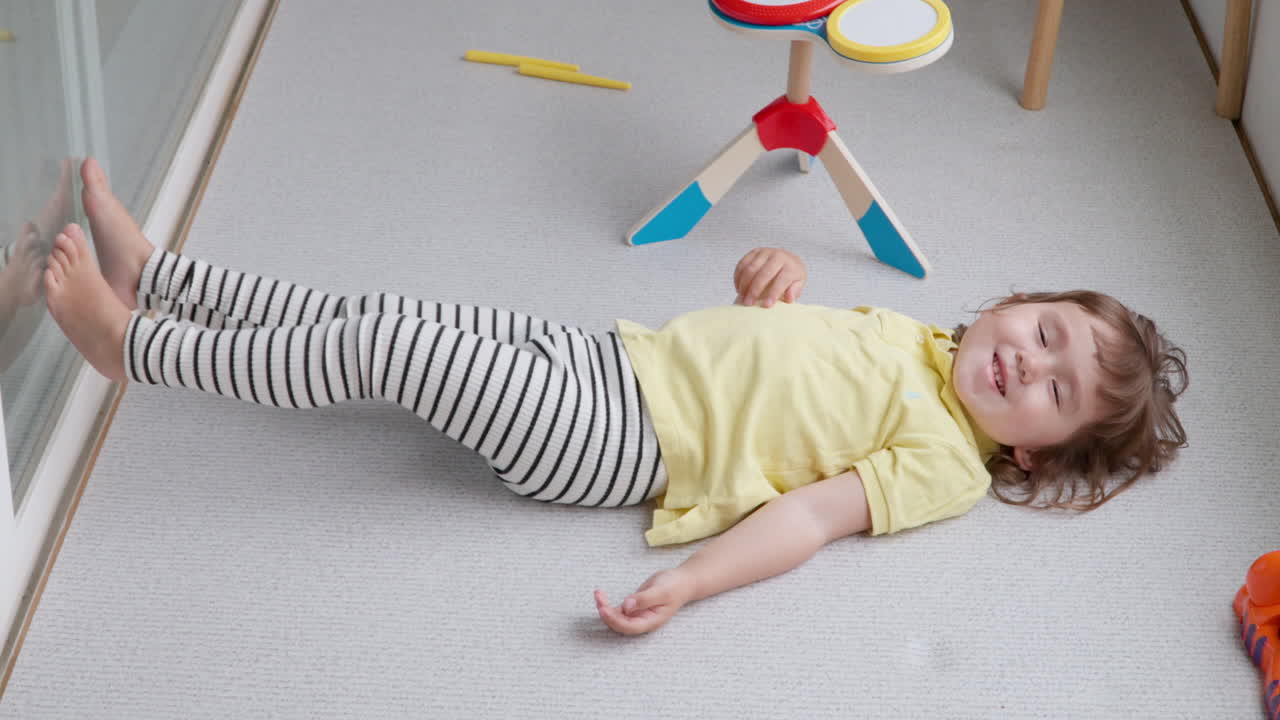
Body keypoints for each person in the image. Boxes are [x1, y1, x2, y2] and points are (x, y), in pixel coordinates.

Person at [44, 158, 1188, 636]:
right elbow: (786, 372)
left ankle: (133, 347)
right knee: (383, 306)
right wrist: (770, 289)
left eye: (1051, 394)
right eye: (1042, 334)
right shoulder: (922, 337)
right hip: (614, 357)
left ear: (1029, 455)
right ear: (1015, 302)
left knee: (384, 347)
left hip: (612, 442)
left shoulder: (944, 462)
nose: (1025, 365)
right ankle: (167, 278)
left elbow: (805, 513)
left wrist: (691, 582)